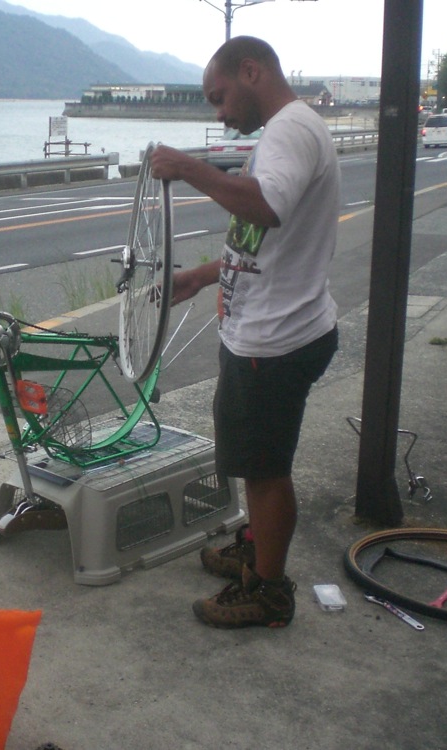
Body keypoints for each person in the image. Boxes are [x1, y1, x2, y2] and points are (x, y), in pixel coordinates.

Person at [150, 36, 339, 629]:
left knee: (264, 469)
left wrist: (186, 166)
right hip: (268, 331)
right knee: (255, 458)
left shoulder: (288, 130)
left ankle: (269, 589)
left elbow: (264, 207)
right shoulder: (288, 129)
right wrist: (206, 276)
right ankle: (256, 547)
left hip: (275, 342)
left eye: (220, 96)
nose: (220, 113)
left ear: (251, 71)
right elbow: (265, 241)